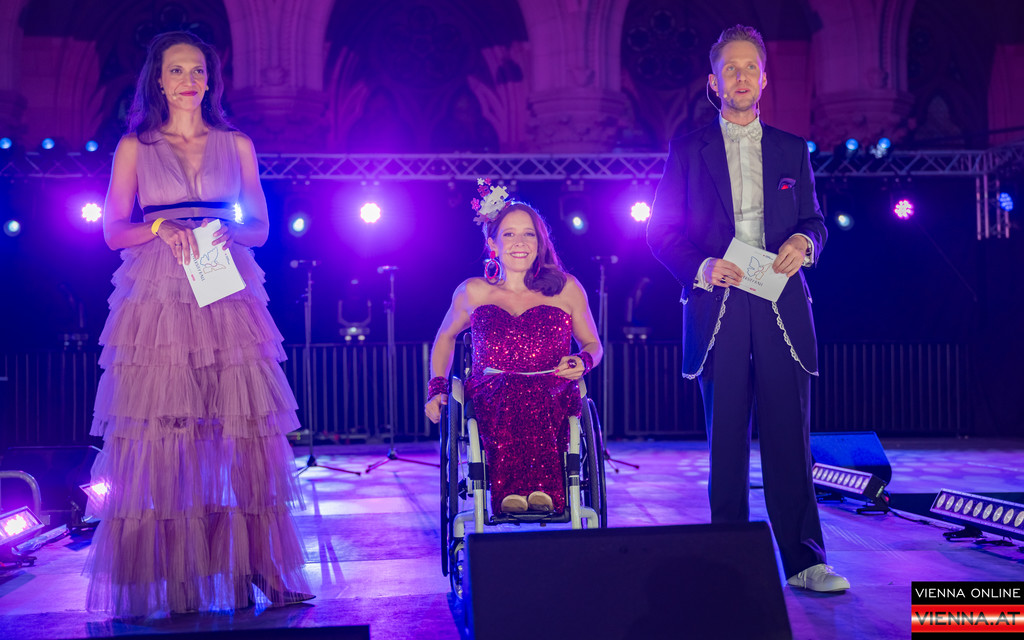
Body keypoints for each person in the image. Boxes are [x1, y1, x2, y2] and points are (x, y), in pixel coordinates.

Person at [85, 31, 312, 617]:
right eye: (176, 70)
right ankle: (175, 576)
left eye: (197, 70)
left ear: (209, 80)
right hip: (159, 293)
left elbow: (261, 226)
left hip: (222, 277)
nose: (188, 79)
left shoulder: (236, 143)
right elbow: (112, 231)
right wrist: (160, 227)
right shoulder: (136, 146)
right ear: (158, 81)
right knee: (167, 436)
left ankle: (261, 566)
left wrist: (230, 231)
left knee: (244, 434)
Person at [647, 25, 850, 592]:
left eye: (750, 68)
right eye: (729, 69)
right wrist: (702, 267)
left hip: (781, 302)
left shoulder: (792, 148)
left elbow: (815, 221)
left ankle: (806, 562)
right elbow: (660, 232)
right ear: (714, 82)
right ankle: (730, 564)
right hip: (719, 303)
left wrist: (805, 242)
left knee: (790, 438)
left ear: (764, 78)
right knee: (727, 440)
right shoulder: (688, 149)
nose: (740, 76)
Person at [424, 184, 602, 515]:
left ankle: (539, 489)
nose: (520, 242)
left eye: (528, 234)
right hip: (492, 391)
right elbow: (445, 336)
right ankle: (515, 491)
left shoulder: (567, 289)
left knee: (534, 391)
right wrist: (437, 387)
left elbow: (593, 344)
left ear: (540, 243)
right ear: (493, 243)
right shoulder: (473, 291)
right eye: (509, 234)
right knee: (511, 387)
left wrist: (584, 360)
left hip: (553, 388)